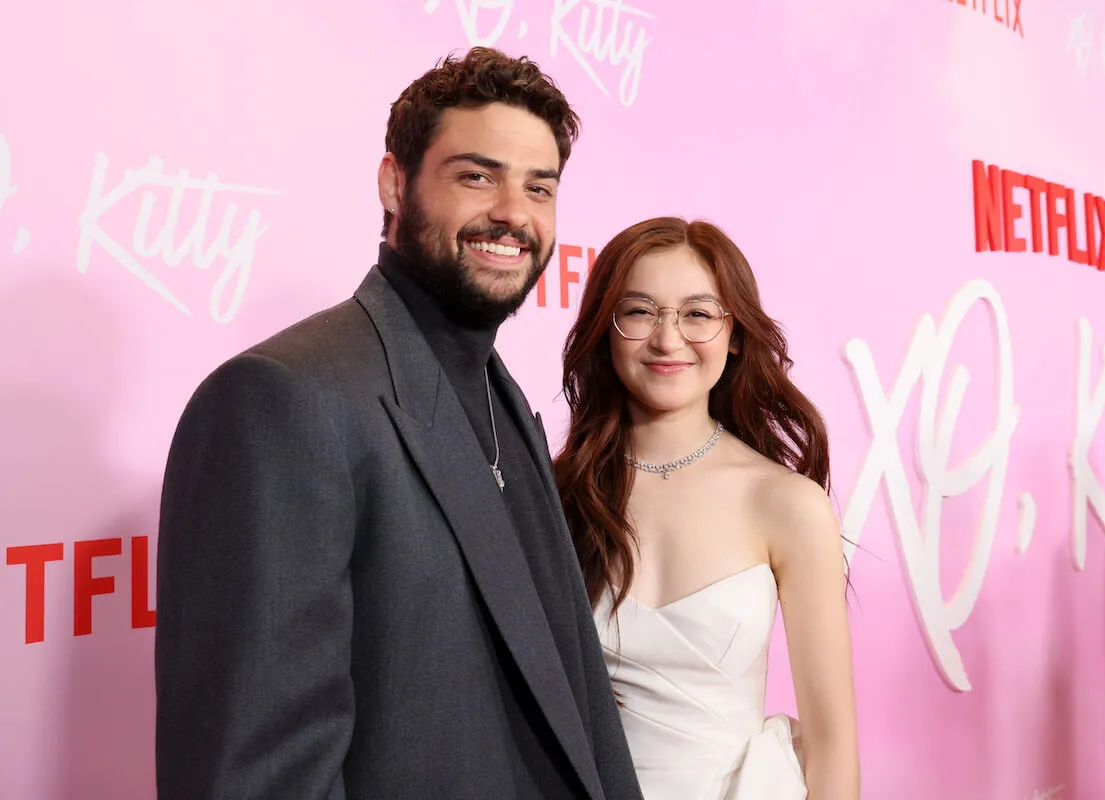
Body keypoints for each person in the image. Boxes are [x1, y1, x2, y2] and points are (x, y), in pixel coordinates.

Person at [154, 48, 642, 800]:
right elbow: (256, 776)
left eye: (538, 187)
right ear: (394, 183)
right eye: (477, 176)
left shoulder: (501, 395)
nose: (513, 213)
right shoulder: (280, 400)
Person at [553, 217, 861, 799]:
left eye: (697, 314)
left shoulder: (786, 503)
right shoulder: (555, 495)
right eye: (640, 311)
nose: (669, 340)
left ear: (735, 334)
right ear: (605, 329)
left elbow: (833, 747)